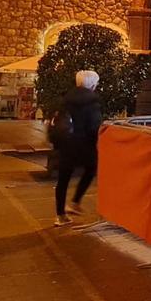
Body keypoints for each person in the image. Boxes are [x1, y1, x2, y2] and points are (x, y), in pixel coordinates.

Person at [54, 70, 103, 227]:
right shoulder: (92, 102)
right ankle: (75, 201)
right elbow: (94, 126)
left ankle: (60, 215)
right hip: (84, 144)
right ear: (92, 85)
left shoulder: (66, 99)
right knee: (91, 169)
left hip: (65, 143)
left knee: (63, 179)